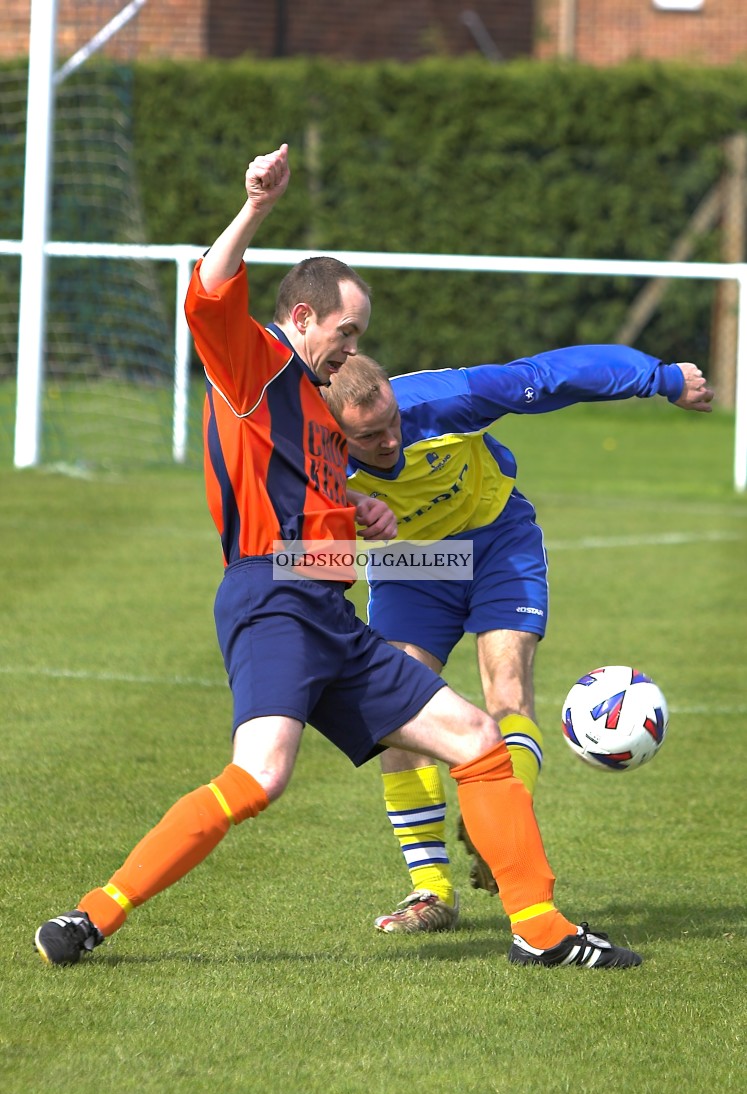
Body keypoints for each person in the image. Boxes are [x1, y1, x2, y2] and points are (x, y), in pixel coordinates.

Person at [34, 142, 644, 971]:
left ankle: (539, 929)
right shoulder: (257, 366)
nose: (351, 346)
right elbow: (207, 294)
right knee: (261, 776)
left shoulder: (321, 413)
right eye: (345, 329)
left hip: (329, 611)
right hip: (273, 599)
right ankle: (91, 917)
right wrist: (255, 207)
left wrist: (349, 511)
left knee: (475, 738)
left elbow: (305, 491)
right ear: (305, 318)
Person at [322, 347, 713, 933]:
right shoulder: (312, 455)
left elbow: (548, 376)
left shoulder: (442, 400)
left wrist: (660, 379)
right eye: (370, 436)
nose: (389, 442)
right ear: (335, 431)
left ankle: (497, 832)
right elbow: (278, 543)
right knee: (397, 712)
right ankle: (430, 893)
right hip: (413, 565)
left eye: (393, 424)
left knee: (506, 686)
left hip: (498, 540)